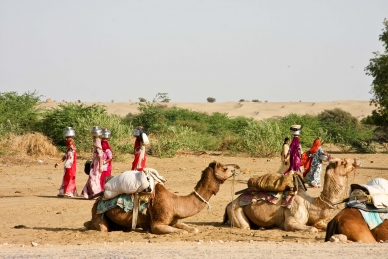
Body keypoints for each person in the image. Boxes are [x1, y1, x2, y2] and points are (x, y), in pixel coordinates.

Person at [55, 129, 78, 198]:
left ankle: (69, 192)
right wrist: (58, 163)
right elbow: (64, 158)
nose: (68, 143)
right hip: (67, 165)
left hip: (71, 165)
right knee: (66, 178)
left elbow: (71, 142)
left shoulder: (73, 149)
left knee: (70, 177)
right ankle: (64, 191)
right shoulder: (68, 150)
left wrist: (70, 139)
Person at [82, 132, 103, 199]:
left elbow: (100, 158)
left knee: (94, 179)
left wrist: (100, 167)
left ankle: (95, 193)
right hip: (93, 166)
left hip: (96, 167)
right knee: (91, 179)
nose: (93, 143)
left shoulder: (99, 149)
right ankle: (90, 193)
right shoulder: (96, 149)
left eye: (94, 141)